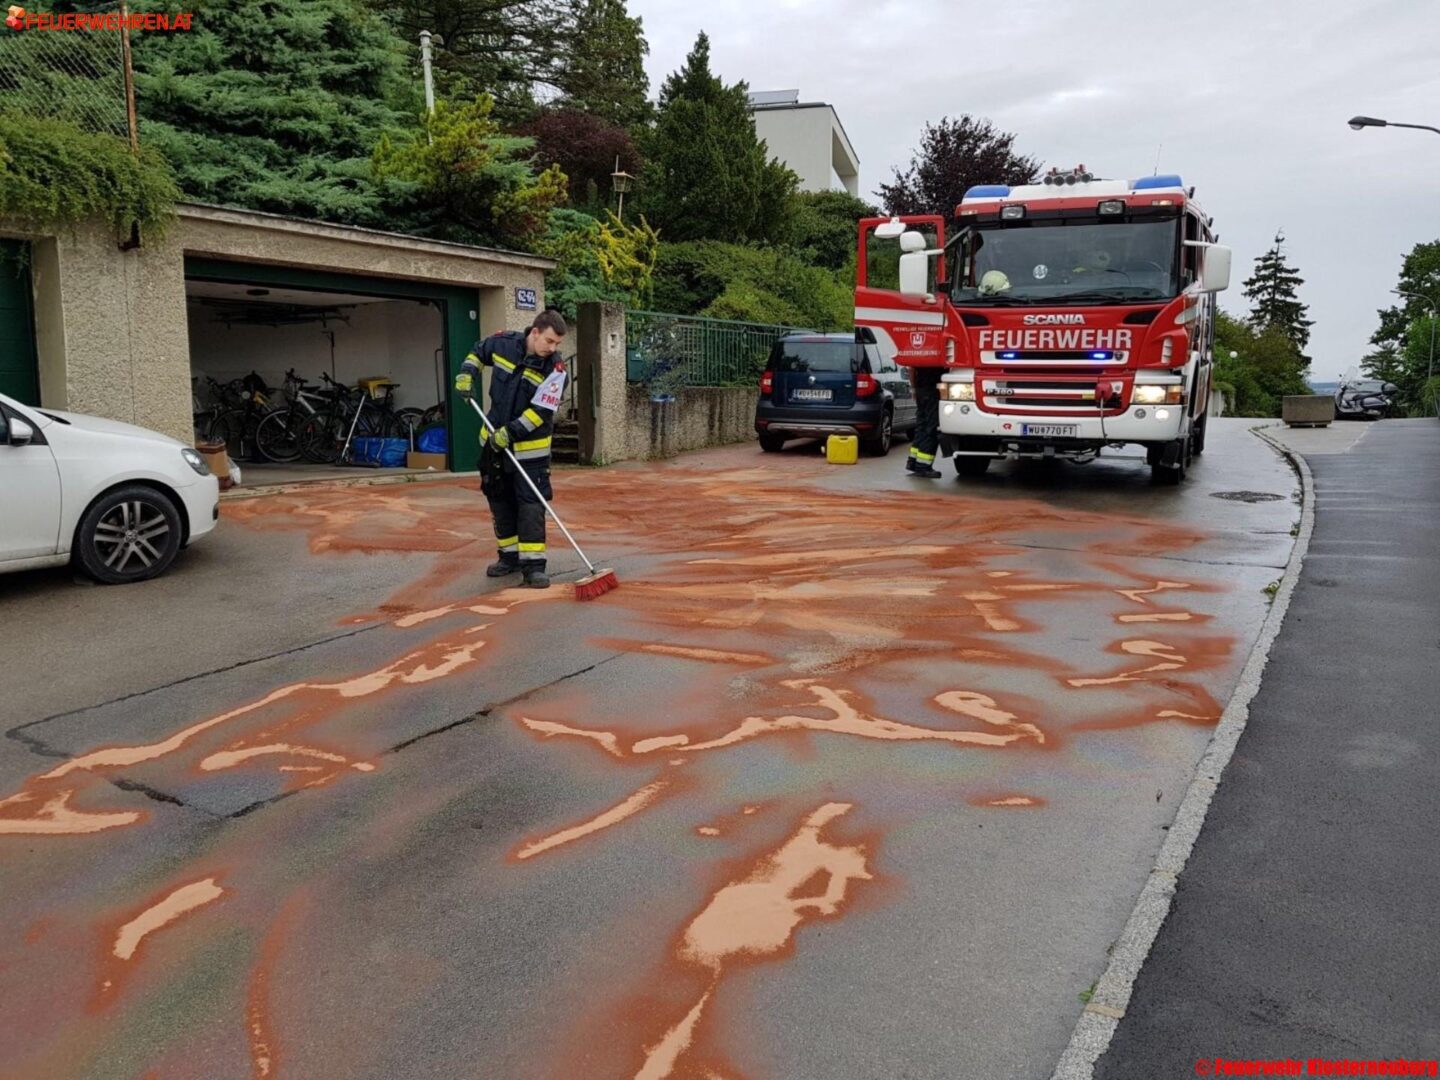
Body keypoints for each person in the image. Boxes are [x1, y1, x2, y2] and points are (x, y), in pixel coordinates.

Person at [454, 309, 568, 589]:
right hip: (493, 444)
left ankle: (533, 566)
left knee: (529, 505)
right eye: (550, 341)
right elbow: (478, 352)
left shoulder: (555, 370)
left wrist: (510, 432)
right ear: (535, 332)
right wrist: (467, 373)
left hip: (530, 450)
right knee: (499, 498)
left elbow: (540, 413)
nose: (552, 349)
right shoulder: (504, 344)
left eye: (557, 344)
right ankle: (509, 557)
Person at [906, 363, 942, 478]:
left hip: (921, 390)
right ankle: (923, 466)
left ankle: (913, 462)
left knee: (921, 426)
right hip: (932, 391)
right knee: (931, 428)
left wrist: (913, 388)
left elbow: (911, 368)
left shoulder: (921, 351)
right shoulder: (936, 351)